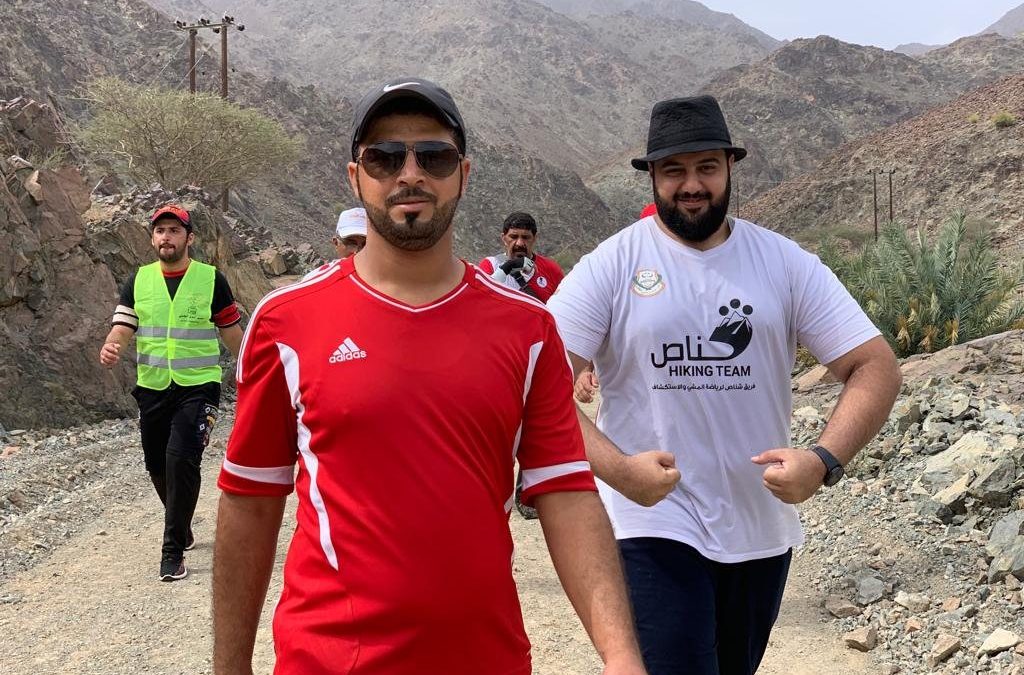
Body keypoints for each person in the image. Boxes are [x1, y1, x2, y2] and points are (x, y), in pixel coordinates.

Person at [211, 77, 646, 675]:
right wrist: (229, 666)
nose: (409, 174)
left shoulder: (528, 330)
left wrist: (620, 656)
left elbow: (566, 493)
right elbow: (251, 501)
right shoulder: (286, 322)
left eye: (433, 156)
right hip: (329, 661)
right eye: (385, 157)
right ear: (355, 177)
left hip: (486, 660)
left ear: (462, 175)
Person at [547, 95, 902, 675]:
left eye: (706, 167)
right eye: (674, 170)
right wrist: (620, 471)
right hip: (650, 521)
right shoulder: (612, 265)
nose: (692, 185)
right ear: (652, 176)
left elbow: (876, 367)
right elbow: (538, 385)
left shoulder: (784, 263)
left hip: (758, 527)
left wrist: (823, 460)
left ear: (731, 167)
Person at [99, 204, 243, 582]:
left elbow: (231, 333)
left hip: (199, 386)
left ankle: (172, 551)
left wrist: (255, 371)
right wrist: (113, 346)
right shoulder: (139, 280)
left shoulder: (211, 280)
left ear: (188, 238)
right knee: (157, 465)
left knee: (182, 459)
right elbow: (122, 326)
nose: (167, 237)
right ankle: (182, 523)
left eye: (174, 230)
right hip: (153, 387)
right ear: (152, 238)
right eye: (160, 230)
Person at [478, 211, 564, 303]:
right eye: (513, 237)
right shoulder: (491, 265)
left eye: (526, 237)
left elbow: (561, 307)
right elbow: (480, 300)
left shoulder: (551, 269)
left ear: (534, 238)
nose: (519, 243)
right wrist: (506, 268)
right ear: (504, 238)